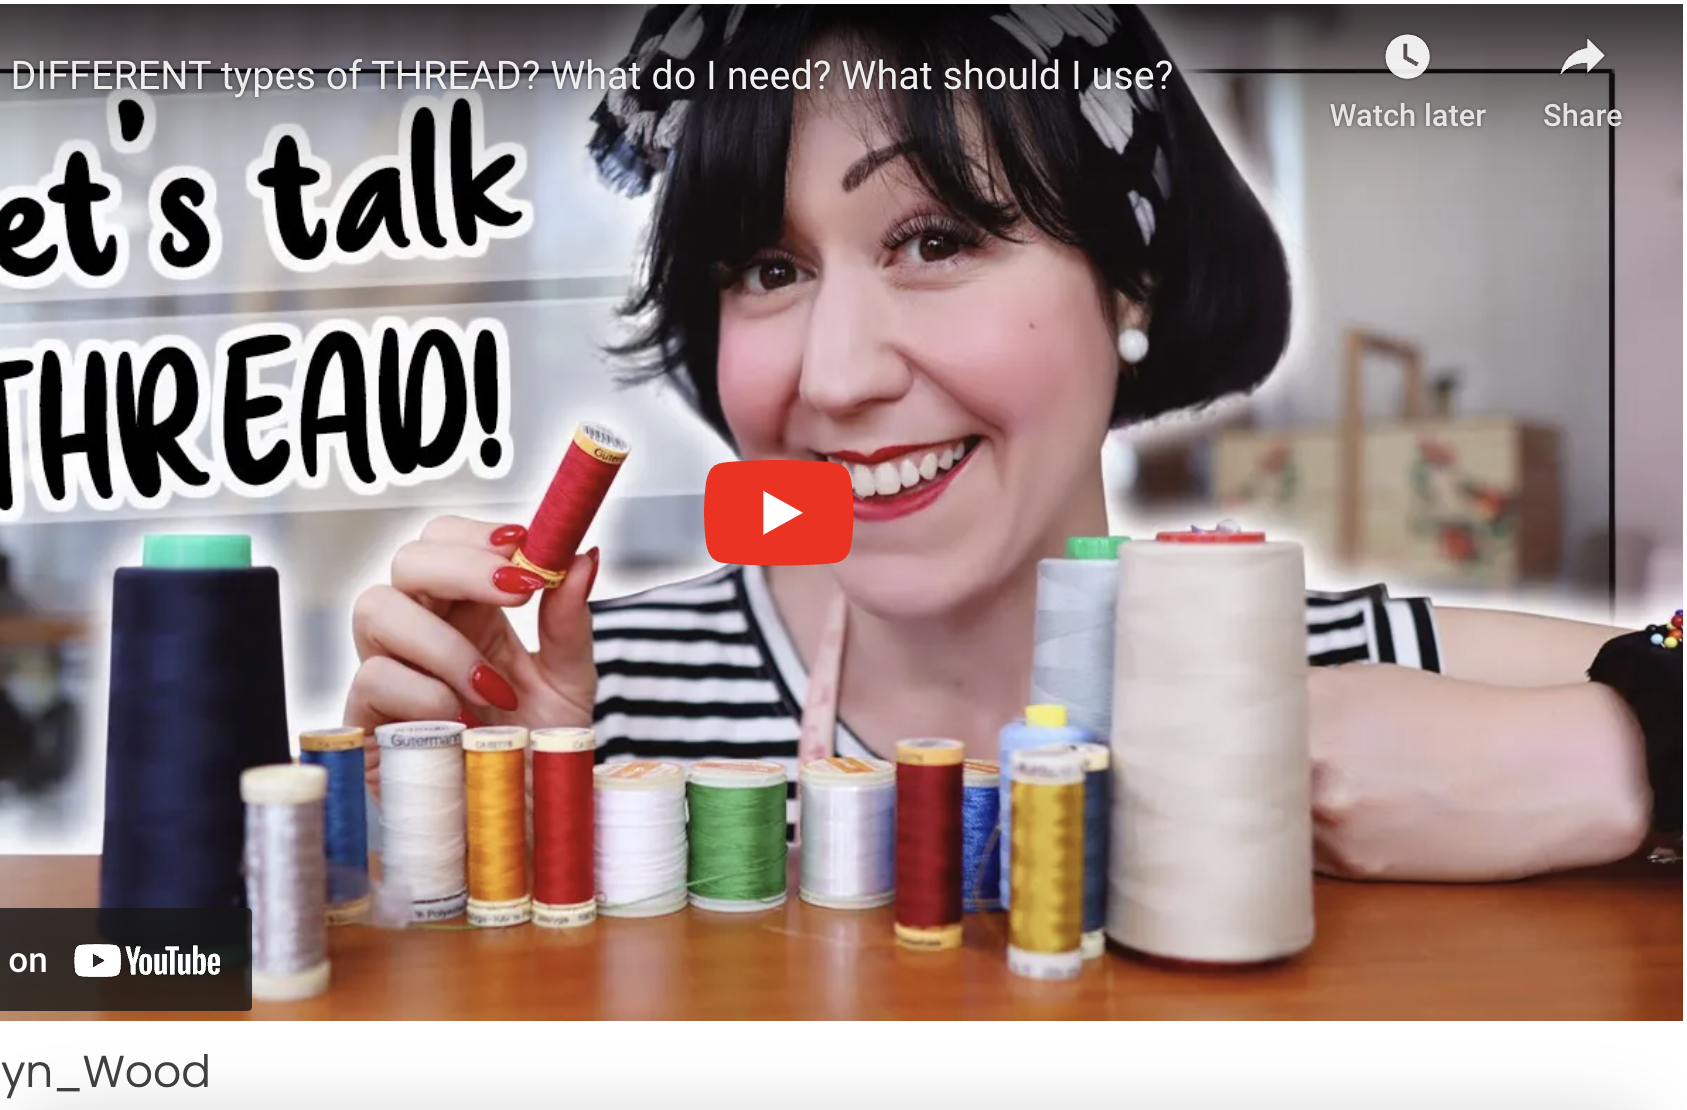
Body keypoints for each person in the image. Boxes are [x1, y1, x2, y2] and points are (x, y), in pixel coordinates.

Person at [348, 6, 1672, 882]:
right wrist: (426, 840)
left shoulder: (1329, 678)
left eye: (938, 239)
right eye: (765, 266)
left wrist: (1625, 759)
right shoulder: (581, 717)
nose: (840, 372)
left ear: (1132, 281)